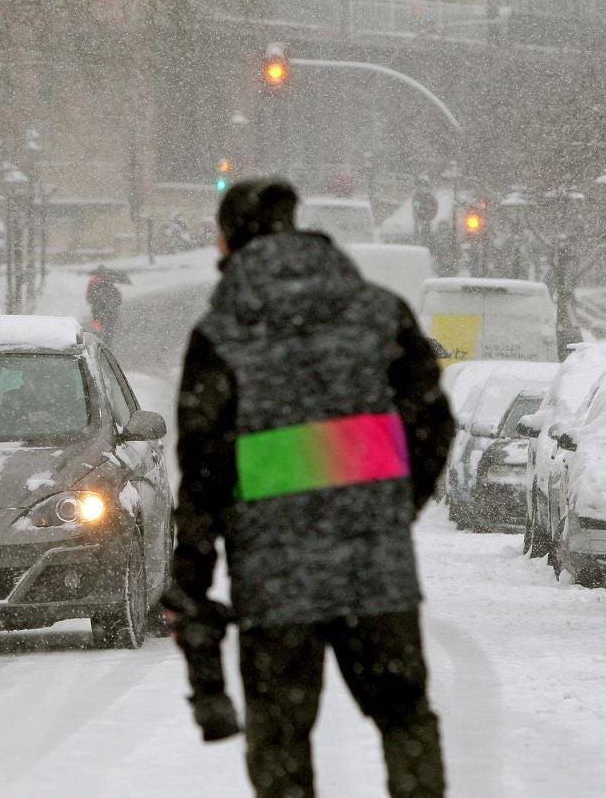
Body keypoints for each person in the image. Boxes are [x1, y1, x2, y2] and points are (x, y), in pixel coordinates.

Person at [172, 179, 454, 798]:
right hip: (374, 573)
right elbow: (433, 421)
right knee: (404, 716)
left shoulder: (222, 334)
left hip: (274, 585)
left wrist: (191, 582)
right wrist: (388, 508)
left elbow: (203, 473)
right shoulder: (380, 311)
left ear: (231, 242)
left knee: (280, 741)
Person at [86, 268, 124, 339]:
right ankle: (106, 344)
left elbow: (91, 298)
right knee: (109, 330)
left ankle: (97, 338)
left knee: (98, 328)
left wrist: (95, 303)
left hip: (98, 312)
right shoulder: (115, 290)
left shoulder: (96, 287)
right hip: (110, 313)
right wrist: (112, 305)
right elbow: (119, 301)